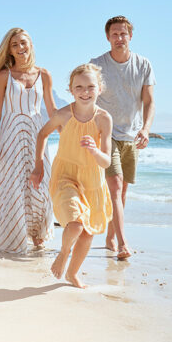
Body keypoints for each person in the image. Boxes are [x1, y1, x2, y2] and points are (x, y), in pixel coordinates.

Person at [29, 63, 113, 288]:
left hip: (93, 180)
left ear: (99, 89)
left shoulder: (104, 119)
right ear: (71, 89)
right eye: (79, 87)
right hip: (65, 176)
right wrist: (39, 165)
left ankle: (72, 274)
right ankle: (64, 254)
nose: (85, 92)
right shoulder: (63, 115)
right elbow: (42, 134)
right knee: (75, 223)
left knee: (88, 233)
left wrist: (94, 150)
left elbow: (107, 161)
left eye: (90, 87)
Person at [0, 28, 57, 253]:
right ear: (9, 50)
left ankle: (38, 233)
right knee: (12, 183)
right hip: (11, 132)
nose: (20, 48)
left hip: (36, 132)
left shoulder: (44, 75)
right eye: (15, 45)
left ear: (30, 44)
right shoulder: (4, 75)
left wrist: (68, 128)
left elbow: (51, 108)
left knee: (41, 182)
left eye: (23, 43)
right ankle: (15, 234)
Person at [90, 16, 155, 259]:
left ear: (130, 36)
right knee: (115, 187)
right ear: (108, 37)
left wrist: (146, 129)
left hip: (131, 136)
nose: (119, 38)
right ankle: (123, 242)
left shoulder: (143, 64)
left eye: (123, 34)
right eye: (114, 34)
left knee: (122, 191)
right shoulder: (97, 65)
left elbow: (149, 102)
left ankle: (109, 238)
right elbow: (87, 97)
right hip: (107, 134)